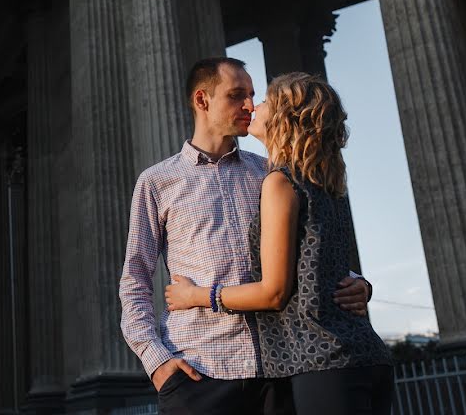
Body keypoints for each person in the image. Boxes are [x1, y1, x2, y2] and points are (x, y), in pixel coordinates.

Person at [119, 57, 372, 414]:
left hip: (282, 369)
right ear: (202, 100)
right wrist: (157, 361)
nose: (250, 105)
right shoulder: (157, 182)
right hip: (198, 372)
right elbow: (135, 281)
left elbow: (309, 249)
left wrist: (358, 282)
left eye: (252, 95)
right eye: (237, 95)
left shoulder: (271, 173)